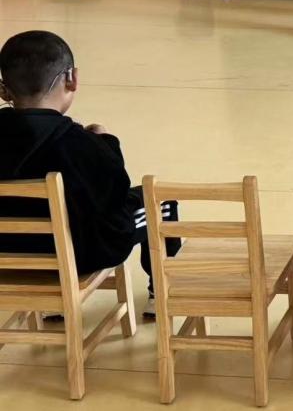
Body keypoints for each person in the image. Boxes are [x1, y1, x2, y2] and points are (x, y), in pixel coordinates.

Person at [0, 31, 180, 317]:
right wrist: (106, 143)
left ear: (4, 90)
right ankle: (162, 293)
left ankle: (52, 306)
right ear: (72, 79)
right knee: (160, 203)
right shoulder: (77, 142)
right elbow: (113, 193)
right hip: (78, 255)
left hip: (7, 260)